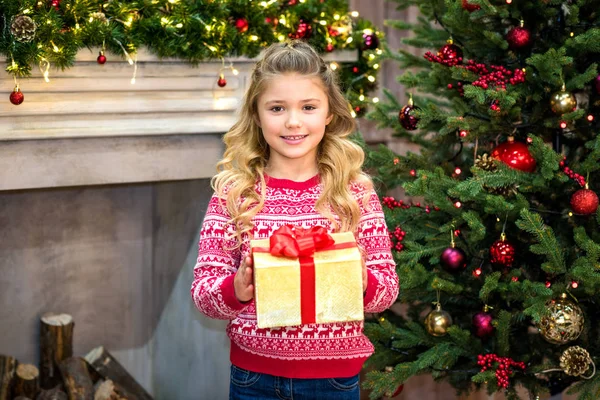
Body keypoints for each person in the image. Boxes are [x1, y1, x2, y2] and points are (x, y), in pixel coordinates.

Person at [191, 40, 398, 400]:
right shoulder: (235, 195)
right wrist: (237, 289)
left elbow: (387, 292)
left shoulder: (355, 195)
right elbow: (203, 295)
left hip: (334, 382)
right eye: (276, 108)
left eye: (308, 107)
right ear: (256, 114)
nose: (293, 121)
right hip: (254, 379)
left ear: (329, 113)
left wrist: (362, 278)